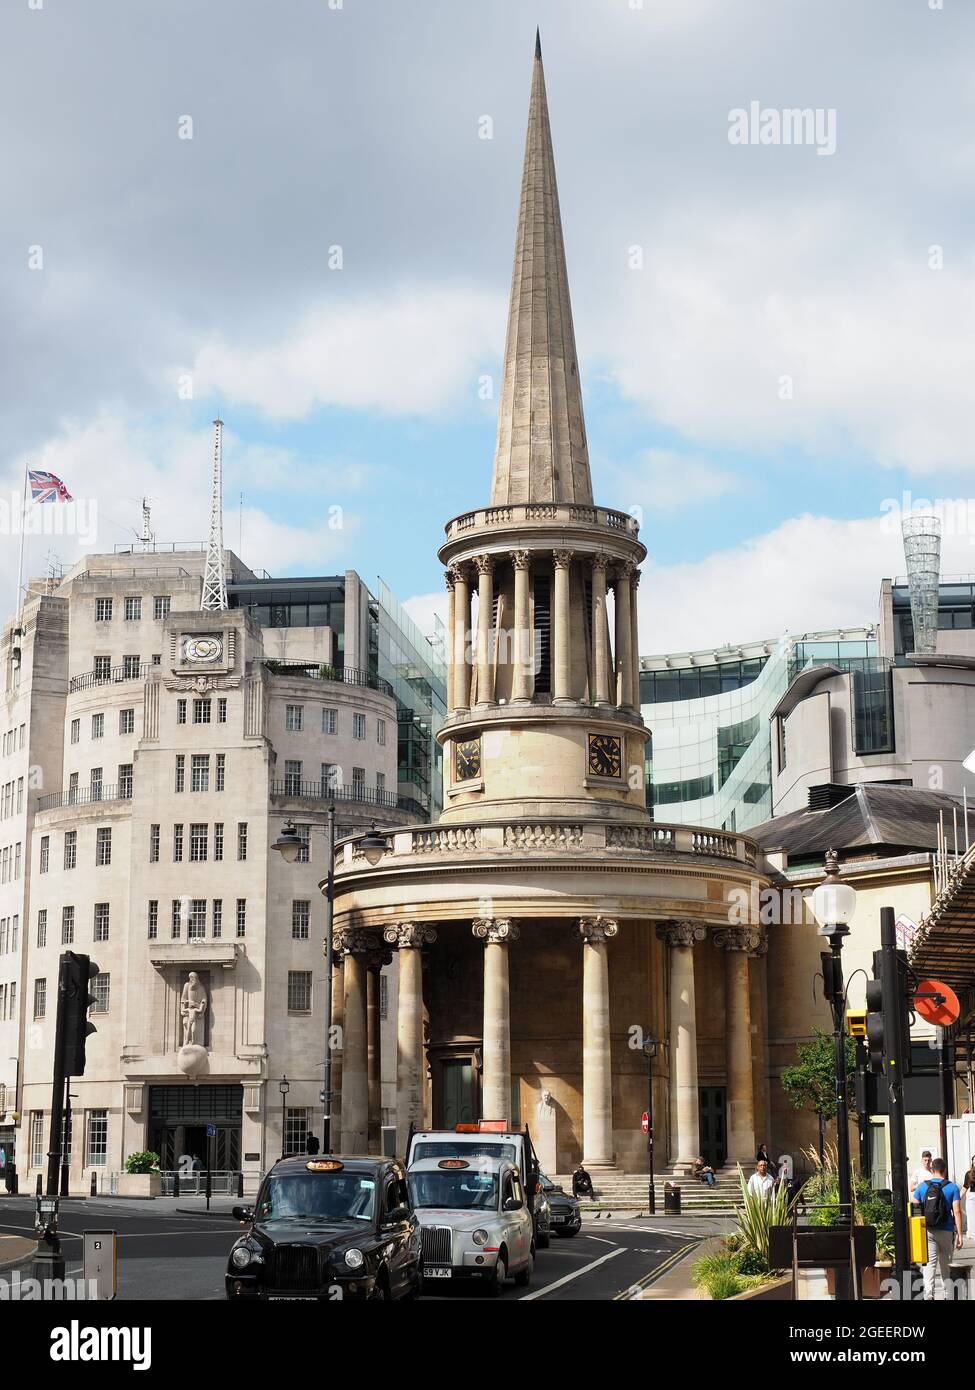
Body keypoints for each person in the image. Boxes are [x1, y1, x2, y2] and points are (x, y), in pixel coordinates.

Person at [914, 1158, 963, 1300]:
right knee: (946, 1268)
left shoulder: (922, 1187)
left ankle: (929, 1296)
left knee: (929, 1268)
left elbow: (915, 1207)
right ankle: (948, 1296)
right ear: (944, 1170)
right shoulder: (952, 1187)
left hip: (928, 1231)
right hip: (947, 1231)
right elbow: (957, 1211)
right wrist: (960, 1235)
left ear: (932, 1169)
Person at [963, 1156, 975, 1243]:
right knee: (972, 1220)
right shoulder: (969, 1174)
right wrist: (956, 1199)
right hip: (972, 1198)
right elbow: (965, 1187)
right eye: (974, 1162)